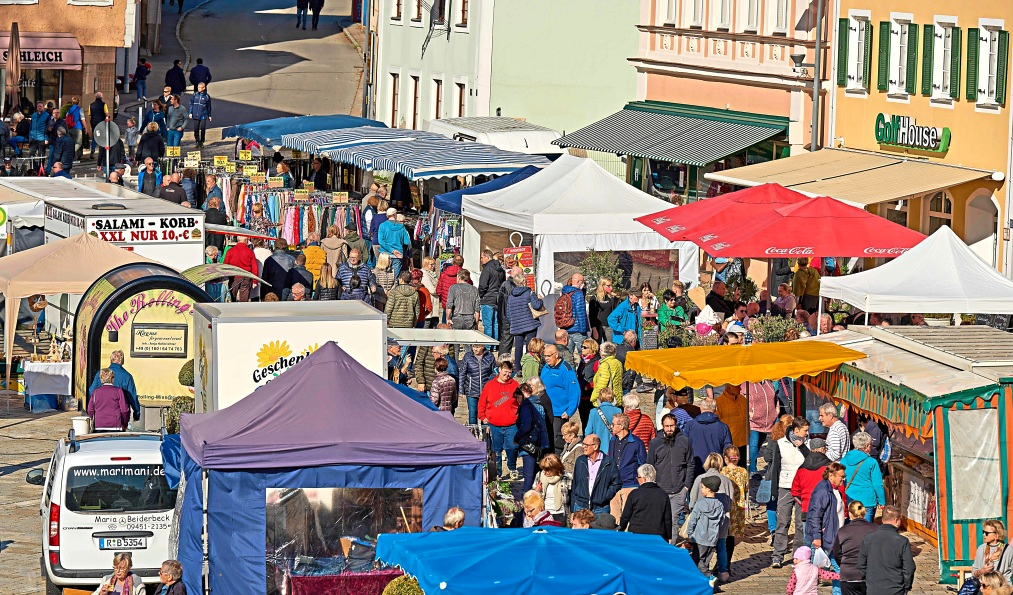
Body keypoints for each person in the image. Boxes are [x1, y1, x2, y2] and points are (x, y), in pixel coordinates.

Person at [772, 416, 812, 568]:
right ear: (796, 430)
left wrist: (802, 446)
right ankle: (778, 555)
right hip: (785, 486)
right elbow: (776, 467)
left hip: (802, 488)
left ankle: (798, 556)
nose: (807, 433)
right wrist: (774, 489)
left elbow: (811, 461)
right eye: (805, 431)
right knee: (783, 521)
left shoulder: (807, 444)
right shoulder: (781, 443)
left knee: (801, 523)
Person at [647, 413, 694, 543]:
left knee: (673, 520)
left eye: (671, 426)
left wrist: (686, 486)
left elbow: (690, 464)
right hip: (660, 490)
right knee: (659, 519)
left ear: (676, 425)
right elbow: (650, 466)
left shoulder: (684, 441)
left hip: (679, 490)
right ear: (662, 426)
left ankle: (671, 547)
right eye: (666, 426)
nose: (669, 429)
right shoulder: (655, 443)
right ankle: (660, 545)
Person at [806, 462, 847, 594]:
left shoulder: (834, 489)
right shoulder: (823, 490)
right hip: (824, 540)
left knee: (839, 571)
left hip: (833, 539)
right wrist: (817, 537)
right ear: (831, 475)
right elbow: (814, 515)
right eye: (841, 476)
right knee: (813, 575)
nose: (843, 478)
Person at [858, 505, 915, 595]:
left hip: (873, 589)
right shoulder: (902, 541)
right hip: (896, 589)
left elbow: (861, 565)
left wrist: (868, 581)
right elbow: (909, 568)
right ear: (896, 520)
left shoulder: (868, 538)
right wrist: (906, 587)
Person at [479, 361, 520, 479]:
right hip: (494, 424)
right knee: (496, 449)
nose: (507, 374)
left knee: (512, 447)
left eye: (510, 372)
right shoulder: (490, 385)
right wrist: (482, 416)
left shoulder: (515, 385)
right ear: (500, 370)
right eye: (505, 372)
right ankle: (497, 472)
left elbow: (521, 402)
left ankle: (512, 467)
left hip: (511, 423)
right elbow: (482, 402)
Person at [838, 432, 887, 525]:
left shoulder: (844, 459)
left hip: (849, 499)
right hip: (867, 501)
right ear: (867, 446)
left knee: (850, 529)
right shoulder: (871, 462)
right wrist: (882, 502)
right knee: (866, 530)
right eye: (871, 446)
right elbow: (877, 484)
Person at [686, 475, 726, 589]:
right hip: (712, 538)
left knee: (698, 562)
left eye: (703, 487)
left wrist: (690, 533)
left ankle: (710, 577)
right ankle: (707, 586)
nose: (701, 490)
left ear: (709, 489)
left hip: (699, 538)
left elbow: (693, 520)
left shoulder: (700, 503)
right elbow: (721, 522)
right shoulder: (720, 505)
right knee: (705, 562)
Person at [540, 343, 579, 455]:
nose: (546, 358)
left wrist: (569, 411)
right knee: (547, 437)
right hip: (546, 410)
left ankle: (556, 462)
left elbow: (574, 391)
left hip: (559, 412)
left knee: (557, 440)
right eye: (545, 356)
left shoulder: (566, 369)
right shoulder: (546, 367)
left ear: (556, 355)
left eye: (549, 356)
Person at [832, 502, 879, 595]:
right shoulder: (876, 529)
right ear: (864, 513)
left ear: (850, 513)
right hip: (871, 573)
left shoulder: (843, 531)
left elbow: (837, 554)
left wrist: (845, 564)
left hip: (849, 574)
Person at [570, 434, 620, 515]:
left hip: (600, 509)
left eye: (586, 445)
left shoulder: (609, 462)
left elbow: (616, 483)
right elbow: (575, 484)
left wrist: (604, 497)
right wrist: (573, 507)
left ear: (595, 447)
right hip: (580, 506)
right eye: (583, 444)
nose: (583, 447)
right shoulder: (580, 461)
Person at [618, 463, 671, 540]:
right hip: (657, 536)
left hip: (636, 535)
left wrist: (621, 530)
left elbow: (625, 517)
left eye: (638, 477)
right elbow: (667, 519)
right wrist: (669, 536)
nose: (637, 479)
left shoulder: (635, 494)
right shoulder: (663, 495)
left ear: (644, 478)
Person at [790, 438, 831, 537]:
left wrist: (803, 503)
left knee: (808, 542)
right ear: (821, 449)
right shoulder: (830, 468)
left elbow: (795, 492)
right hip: (826, 510)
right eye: (825, 448)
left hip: (807, 510)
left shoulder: (801, 469)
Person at [683, 398, 733, 477]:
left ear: (700, 408)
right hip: (716, 466)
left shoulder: (690, 425)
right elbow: (728, 449)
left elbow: (684, 446)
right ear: (715, 408)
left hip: (695, 466)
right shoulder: (723, 427)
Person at [88, 350, 140, 426]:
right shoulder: (127, 376)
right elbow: (132, 397)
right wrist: (136, 413)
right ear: (122, 361)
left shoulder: (100, 373)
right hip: (118, 419)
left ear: (111, 360)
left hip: (100, 418)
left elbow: (91, 391)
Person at [515, 385, 550, 491]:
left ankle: (527, 499)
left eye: (518, 397)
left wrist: (517, 437)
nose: (517, 400)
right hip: (540, 443)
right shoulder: (538, 403)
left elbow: (526, 425)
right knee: (536, 474)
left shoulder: (527, 406)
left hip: (529, 443)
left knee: (528, 474)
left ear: (524, 393)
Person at [506, 273, 544, 365]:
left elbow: (508, 313)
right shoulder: (529, 292)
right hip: (530, 323)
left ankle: (519, 368)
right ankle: (529, 364)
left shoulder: (511, 296)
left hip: (517, 325)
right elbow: (536, 306)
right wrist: (540, 299)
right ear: (523, 281)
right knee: (530, 346)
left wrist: (513, 323)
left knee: (518, 347)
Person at [720, 444, 748, 569]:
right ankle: (727, 564)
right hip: (737, 508)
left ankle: (720, 563)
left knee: (722, 537)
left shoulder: (722, 471)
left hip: (724, 507)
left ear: (725, 458)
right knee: (730, 538)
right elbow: (746, 488)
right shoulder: (743, 472)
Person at [459, 344, 495, 424]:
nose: (475, 349)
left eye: (477, 347)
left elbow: (494, 373)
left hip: (486, 392)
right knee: (472, 415)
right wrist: (461, 389)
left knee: (485, 415)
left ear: (483, 346)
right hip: (471, 391)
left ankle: (485, 434)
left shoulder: (490, 356)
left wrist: (490, 384)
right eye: (474, 346)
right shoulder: (467, 356)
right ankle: (472, 434)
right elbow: (462, 373)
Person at [88, 368, 131, 432]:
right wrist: (125, 424)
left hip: (99, 426)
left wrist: (92, 420)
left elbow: (90, 410)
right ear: (112, 378)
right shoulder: (118, 391)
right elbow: (124, 410)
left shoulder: (95, 392)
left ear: (101, 379)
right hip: (115, 426)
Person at [714, 384, 748, 464]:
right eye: (737, 386)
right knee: (730, 468)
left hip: (744, 441)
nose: (740, 388)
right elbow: (717, 424)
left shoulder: (743, 399)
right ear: (729, 388)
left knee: (742, 468)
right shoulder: (719, 402)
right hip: (730, 444)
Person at [533, 453, 570, 524]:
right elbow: (533, 496)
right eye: (543, 469)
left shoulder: (566, 477)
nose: (545, 472)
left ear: (555, 468)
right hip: (544, 513)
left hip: (560, 513)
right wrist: (537, 491)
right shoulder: (540, 475)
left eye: (548, 470)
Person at [478, 249, 505, 339]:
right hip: (497, 299)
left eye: (482, 257)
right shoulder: (501, 269)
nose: (481, 259)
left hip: (488, 299)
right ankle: (495, 345)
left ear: (487, 257)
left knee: (488, 324)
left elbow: (483, 286)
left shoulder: (487, 269)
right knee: (495, 324)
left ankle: (488, 346)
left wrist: (480, 295)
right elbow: (503, 284)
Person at [585, 387, 622, 451]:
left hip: (597, 447)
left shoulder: (593, 411)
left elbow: (588, 431)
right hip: (613, 446)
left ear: (600, 398)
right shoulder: (618, 410)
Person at [377, 208, 411, 278]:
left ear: (387, 216)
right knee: (395, 278)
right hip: (398, 255)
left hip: (385, 254)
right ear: (395, 215)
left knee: (383, 277)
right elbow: (407, 241)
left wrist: (391, 250)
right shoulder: (402, 227)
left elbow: (381, 242)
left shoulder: (382, 226)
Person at [224, 237, 258, 302]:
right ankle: (242, 311)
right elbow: (254, 267)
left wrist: (227, 276)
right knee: (244, 300)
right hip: (246, 277)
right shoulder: (250, 251)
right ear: (245, 240)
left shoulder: (230, 251)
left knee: (232, 298)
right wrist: (255, 281)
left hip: (233, 277)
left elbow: (225, 265)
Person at [591, 341, 623, 408]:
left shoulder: (605, 365)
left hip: (606, 400)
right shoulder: (618, 362)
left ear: (603, 353)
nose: (599, 352)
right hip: (616, 397)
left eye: (600, 350)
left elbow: (601, 385)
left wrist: (593, 398)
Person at [576, 338, 599, 428]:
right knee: (583, 420)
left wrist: (589, 386)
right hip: (581, 395)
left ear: (592, 349)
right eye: (582, 346)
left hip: (590, 396)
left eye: (585, 347)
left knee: (590, 422)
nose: (582, 348)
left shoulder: (596, 362)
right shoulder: (582, 361)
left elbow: (599, 378)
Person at [589, 277, 620, 343]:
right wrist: (594, 329)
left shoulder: (612, 298)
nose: (611, 288)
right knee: (596, 346)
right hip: (598, 326)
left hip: (609, 326)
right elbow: (592, 315)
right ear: (602, 286)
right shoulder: (594, 298)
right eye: (608, 286)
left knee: (610, 347)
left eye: (611, 285)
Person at [188, 82, 212, 148]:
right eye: (198, 87)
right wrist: (190, 112)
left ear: (203, 88)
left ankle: (202, 141)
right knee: (196, 129)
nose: (198, 89)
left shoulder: (207, 96)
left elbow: (209, 106)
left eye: (200, 87)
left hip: (203, 115)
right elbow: (191, 103)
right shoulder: (195, 95)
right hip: (195, 114)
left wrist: (209, 115)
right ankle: (197, 141)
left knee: (203, 129)